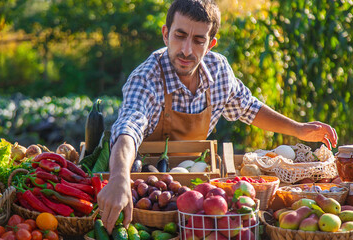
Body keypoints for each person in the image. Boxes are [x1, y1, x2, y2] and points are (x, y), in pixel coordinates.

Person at [98, 0, 338, 233]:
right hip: (149, 195)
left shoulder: (218, 70)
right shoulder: (147, 77)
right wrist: (119, 177)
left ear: (211, 44)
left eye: (198, 40)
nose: (186, 50)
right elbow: (129, 126)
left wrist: (299, 129)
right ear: (165, 34)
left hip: (199, 194)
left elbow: (249, 108)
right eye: (179, 36)